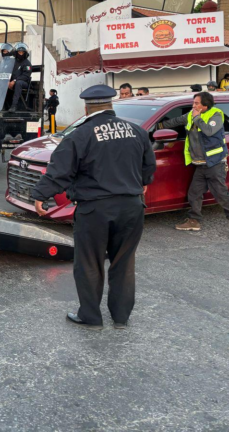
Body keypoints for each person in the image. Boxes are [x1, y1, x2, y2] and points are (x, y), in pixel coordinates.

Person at [31, 85, 156, 330]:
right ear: (111, 105)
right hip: (131, 208)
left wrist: (40, 196)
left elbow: (59, 172)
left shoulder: (80, 135)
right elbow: (148, 168)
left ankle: (91, 316)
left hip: (95, 210)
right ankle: (121, 318)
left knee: (89, 262)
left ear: (87, 108)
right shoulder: (136, 131)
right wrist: (141, 183)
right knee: (124, 263)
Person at [159, 91, 229, 237]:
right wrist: (158, 125)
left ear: (205, 105)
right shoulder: (190, 115)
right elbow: (175, 121)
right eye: (193, 103)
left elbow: (209, 131)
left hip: (215, 163)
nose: (193, 106)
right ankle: (194, 221)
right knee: (194, 193)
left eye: (196, 103)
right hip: (200, 164)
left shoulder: (216, 115)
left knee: (221, 194)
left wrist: (197, 118)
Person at [8, 43, 32, 112]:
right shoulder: (12, 62)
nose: (20, 54)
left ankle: (14, 106)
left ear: (25, 53)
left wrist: (14, 81)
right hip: (12, 81)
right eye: (19, 52)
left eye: (22, 52)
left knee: (18, 83)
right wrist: (7, 81)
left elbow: (26, 76)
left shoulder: (27, 63)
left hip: (23, 82)